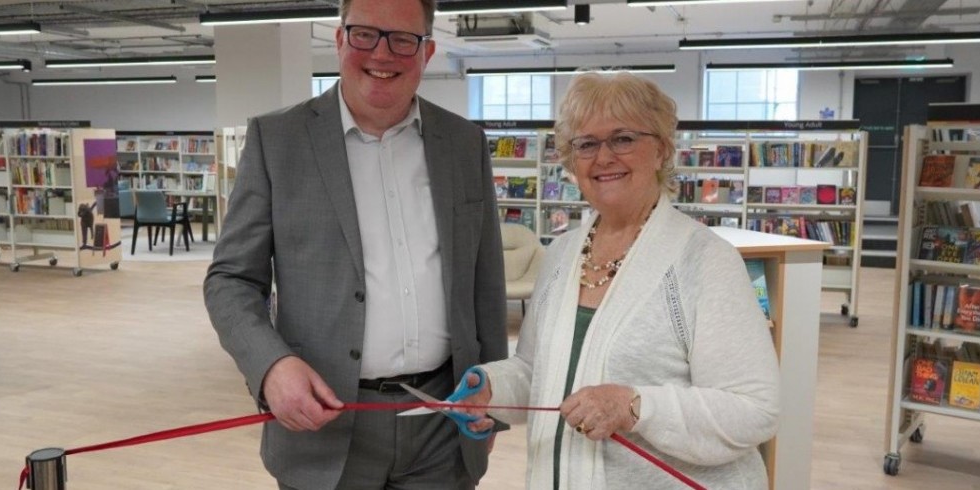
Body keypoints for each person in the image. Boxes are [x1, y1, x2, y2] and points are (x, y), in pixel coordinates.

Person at [202, 0, 508, 488]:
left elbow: (485, 281)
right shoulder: (276, 139)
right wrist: (271, 366)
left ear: (427, 52)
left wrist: (499, 399)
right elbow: (231, 280)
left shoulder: (464, 143)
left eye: (403, 39)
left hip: (444, 425)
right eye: (365, 34)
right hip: (325, 429)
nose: (383, 54)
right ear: (340, 39)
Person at [460, 72, 781, 489]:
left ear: (662, 149)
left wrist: (636, 407)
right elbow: (540, 373)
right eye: (586, 144)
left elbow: (755, 409)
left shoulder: (705, 261)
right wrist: (493, 387)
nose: (604, 157)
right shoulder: (560, 255)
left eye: (624, 139)